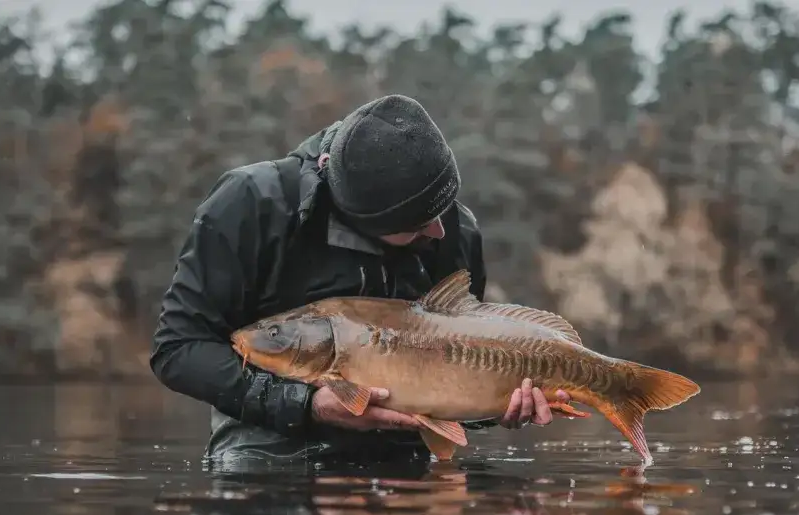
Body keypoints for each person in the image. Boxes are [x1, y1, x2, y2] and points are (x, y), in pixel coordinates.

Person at [149, 94, 570, 467]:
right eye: (418, 223)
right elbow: (178, 349)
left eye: (443, 211)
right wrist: (309, 405)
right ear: (363, 219)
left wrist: (497, 407)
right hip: (268, 451)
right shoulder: (250, 205)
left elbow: (455, 383)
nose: (440, 232)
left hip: (404, 452)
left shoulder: (456, 229)